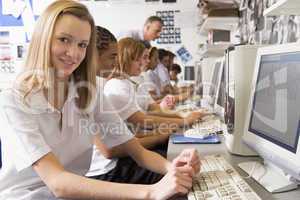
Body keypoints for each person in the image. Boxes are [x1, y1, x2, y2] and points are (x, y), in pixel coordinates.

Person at [0, 1, 201, 199]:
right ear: (42, 39)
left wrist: (173, 168)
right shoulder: (14, 99)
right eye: (64, 40)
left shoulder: (88, 93)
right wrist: (151, 192)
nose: (74, 53)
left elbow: (138, 152)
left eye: (82, 45)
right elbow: (57, 182)